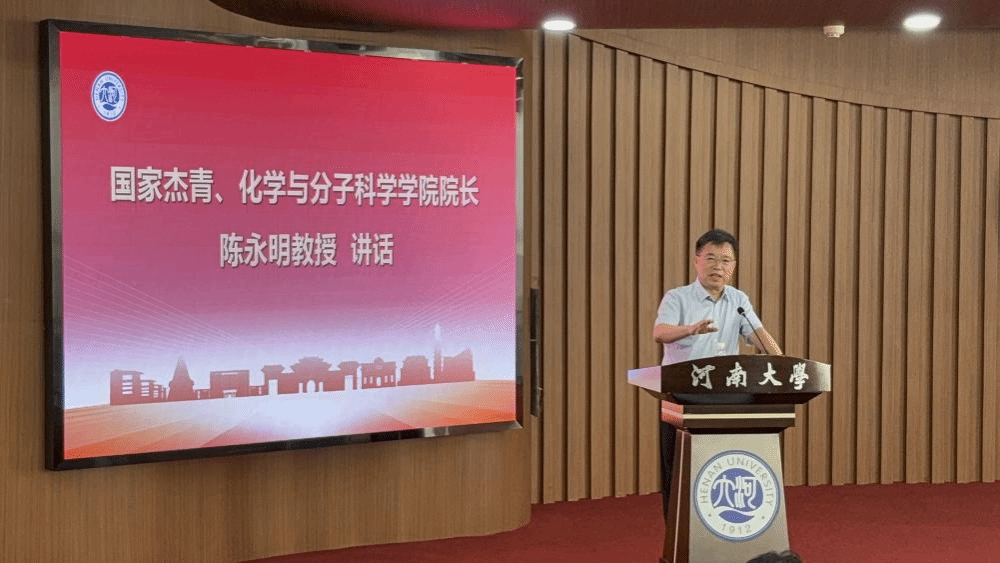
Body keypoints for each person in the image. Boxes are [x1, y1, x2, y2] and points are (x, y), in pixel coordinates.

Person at [652, 228, 782, 517]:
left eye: (725, 260)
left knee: (726, 464)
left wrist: (783, 362)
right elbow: (659, 333)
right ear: (697, 261)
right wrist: (690, 329)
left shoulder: (738, 300)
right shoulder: (678, 298)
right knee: (682, 470)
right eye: (711, 258)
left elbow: (759, 335)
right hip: (685, 397)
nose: (718, 266)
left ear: (733, 266)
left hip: (727, 398)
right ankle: (679, 529)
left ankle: (729, 519)